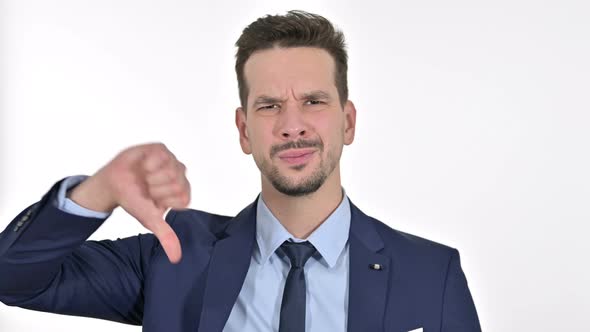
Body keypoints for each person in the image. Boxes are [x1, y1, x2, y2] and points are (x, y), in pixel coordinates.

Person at [0, 10, 481, 332]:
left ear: (348, 121)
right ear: (244, 129)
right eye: (270, 106)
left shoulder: (430, 273)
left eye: (313, 102)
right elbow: (13, 278)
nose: (292, 126)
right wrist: (98, 190)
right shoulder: (176, 257)